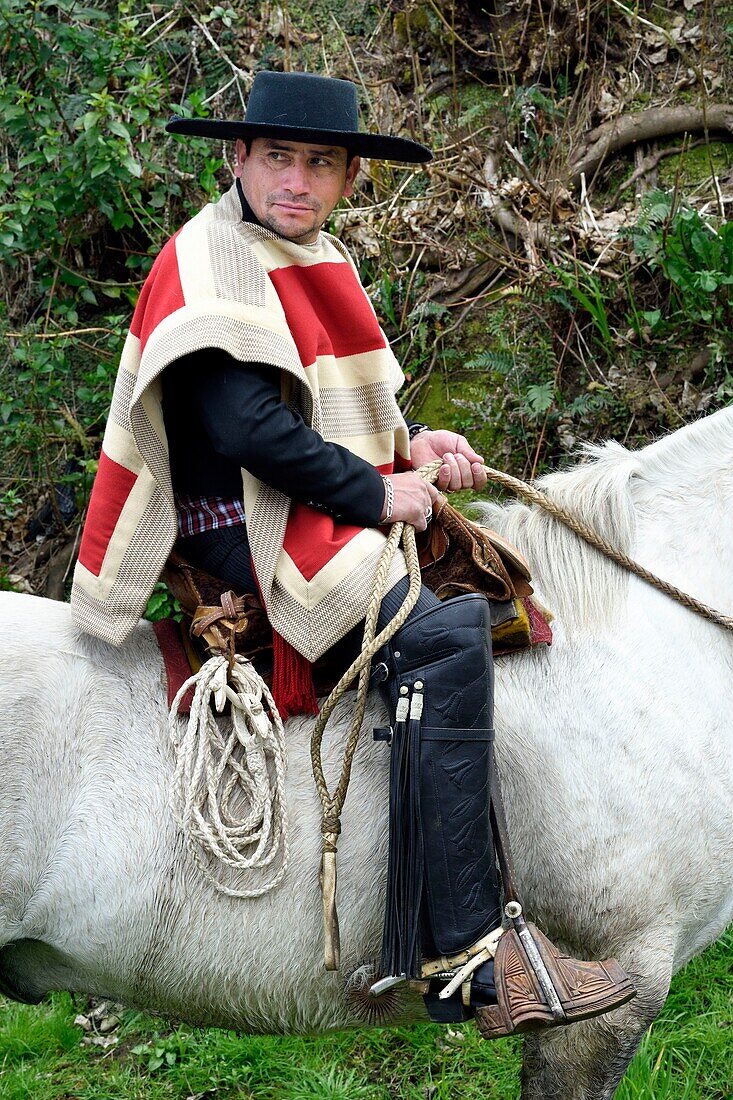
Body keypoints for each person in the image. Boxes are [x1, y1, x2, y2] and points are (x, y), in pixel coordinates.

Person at [71, 70, 634, 1036]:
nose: (297, 179)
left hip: (299, 507)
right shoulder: (208, 261)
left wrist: (409, 449)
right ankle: (461, 954)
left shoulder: (304, 253)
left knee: (488, 582)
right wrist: (376, 492)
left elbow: (328, 409)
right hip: (236, 533)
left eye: (319, 163)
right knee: (444, 630)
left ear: (344, 178)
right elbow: (245, 426)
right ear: (236, 158)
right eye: (278, 157)